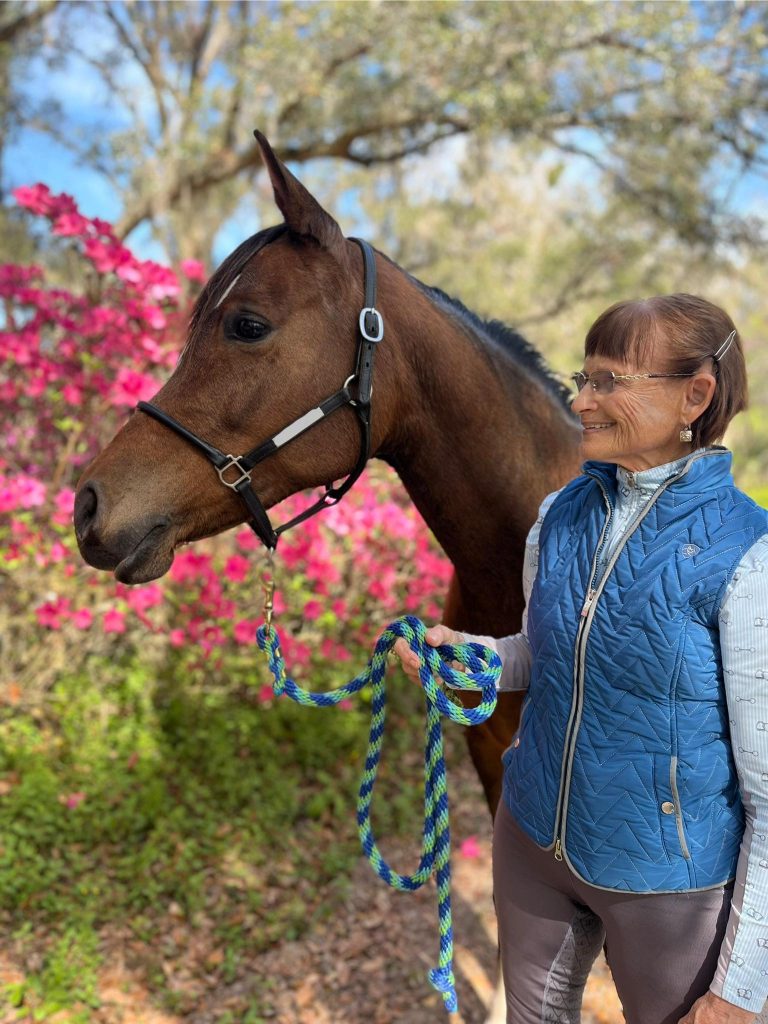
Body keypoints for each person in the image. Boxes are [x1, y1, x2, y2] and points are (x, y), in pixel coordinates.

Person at [394, 294, 768, 1024]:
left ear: (695, 396)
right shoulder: (557, 516)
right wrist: (473, 659)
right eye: (582, 377)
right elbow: (544, 654)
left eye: (608, 382)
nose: (580, 401)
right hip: (531, 839)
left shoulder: (749, 555)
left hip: (666, 886)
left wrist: (740, 990)